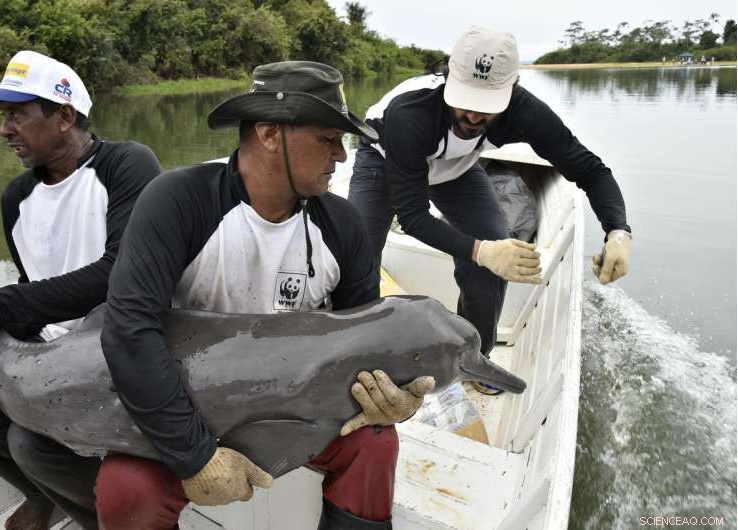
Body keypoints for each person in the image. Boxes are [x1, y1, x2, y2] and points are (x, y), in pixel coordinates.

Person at [96, 61, 434, 530]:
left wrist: (396, 396)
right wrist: (195, 457)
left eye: (342, 141)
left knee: (375, 441)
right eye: (327, 139)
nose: (341, 156)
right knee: (127, 491)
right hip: (191, 401)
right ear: (270, 134)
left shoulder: (343, 224)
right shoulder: (177, 200)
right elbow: (128, 332)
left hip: (298, 405)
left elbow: (368, 338)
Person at [0, 50, 162, 530]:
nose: (4, 130)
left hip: (125, 353)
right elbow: (34, 290)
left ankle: (100, 515)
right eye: (3, 117)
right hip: (52, 361)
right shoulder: (16, 199)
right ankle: (45, 494)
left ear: (64, 115)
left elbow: (120, 276)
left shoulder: (127, 166)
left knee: (29, 442)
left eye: (17, 114)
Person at [348, 26, 632, 374]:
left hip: (457, 168)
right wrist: (481, 250)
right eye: (465, 101)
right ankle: (355, 358)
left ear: (512, 91)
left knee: (495, 246)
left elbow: (591, 171)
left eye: (487, 107)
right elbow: (413, 217)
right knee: (357, 258)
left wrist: (618, 232)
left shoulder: (526, 112)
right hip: (385, 158)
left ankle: (474, 358)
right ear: (448, 76)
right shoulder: (412, 112)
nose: (473, 116)